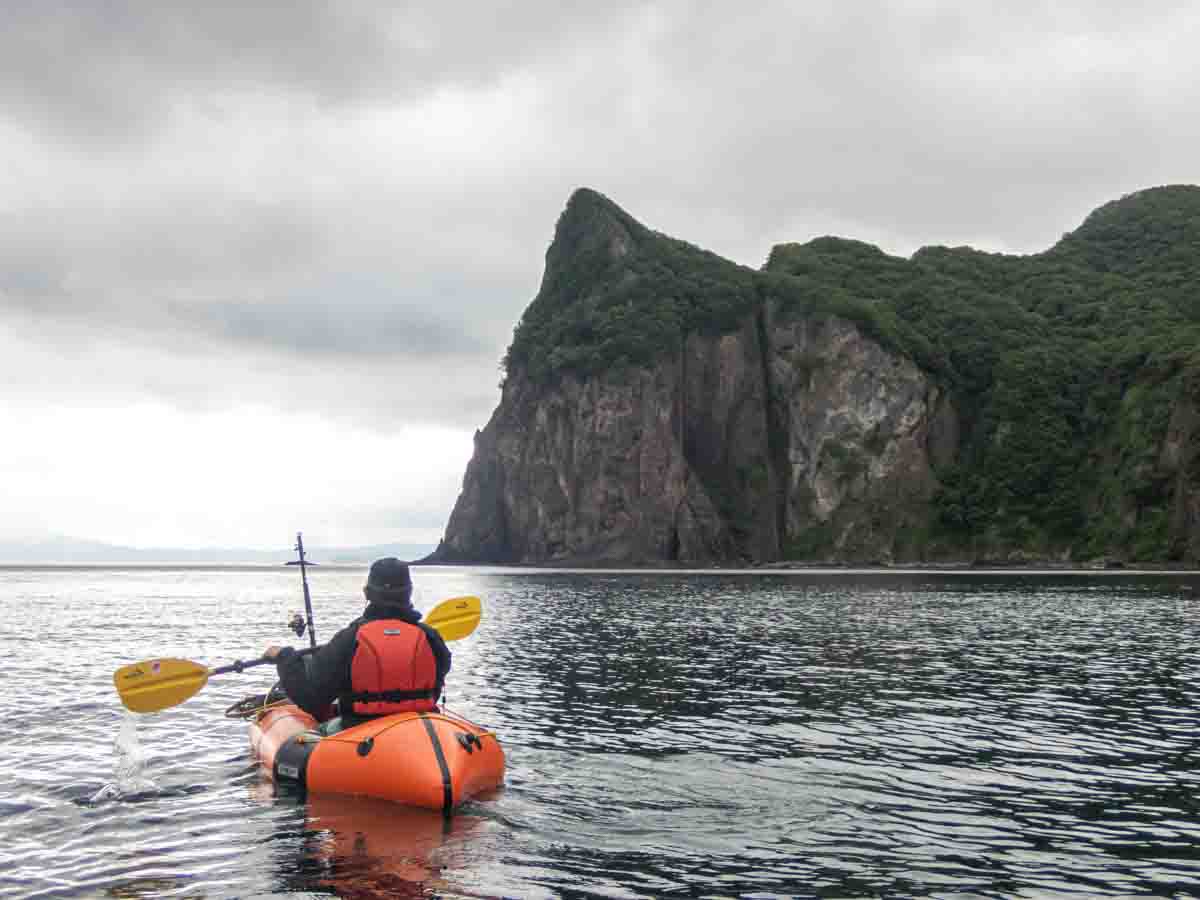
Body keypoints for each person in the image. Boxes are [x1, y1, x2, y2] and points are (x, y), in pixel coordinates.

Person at [264, 557, 451, 730]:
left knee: (314, 732)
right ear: (409, 591)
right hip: (420, 728)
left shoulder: (349, 639)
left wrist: (285, 657)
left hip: (361, 733)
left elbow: (311, 698)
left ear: (367, 593)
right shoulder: (431, 638)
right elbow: (435, 687)